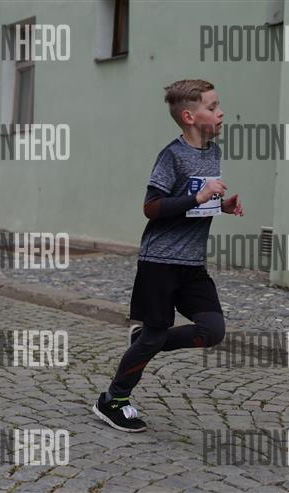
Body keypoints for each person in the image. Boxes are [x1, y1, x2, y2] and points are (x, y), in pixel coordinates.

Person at [93, 79, 243, 432]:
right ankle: (113, 400)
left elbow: (198, 203)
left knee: (212, 330)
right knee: (155, 333)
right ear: (189, 117)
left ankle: (146, 341)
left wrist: (221, 204)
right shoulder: (171, 156)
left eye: (219, 105)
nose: (221, 113)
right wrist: (199, 197)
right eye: (212, 107)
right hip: (159, 262)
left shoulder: (213, 153)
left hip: (192, 265)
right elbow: (152, 207)